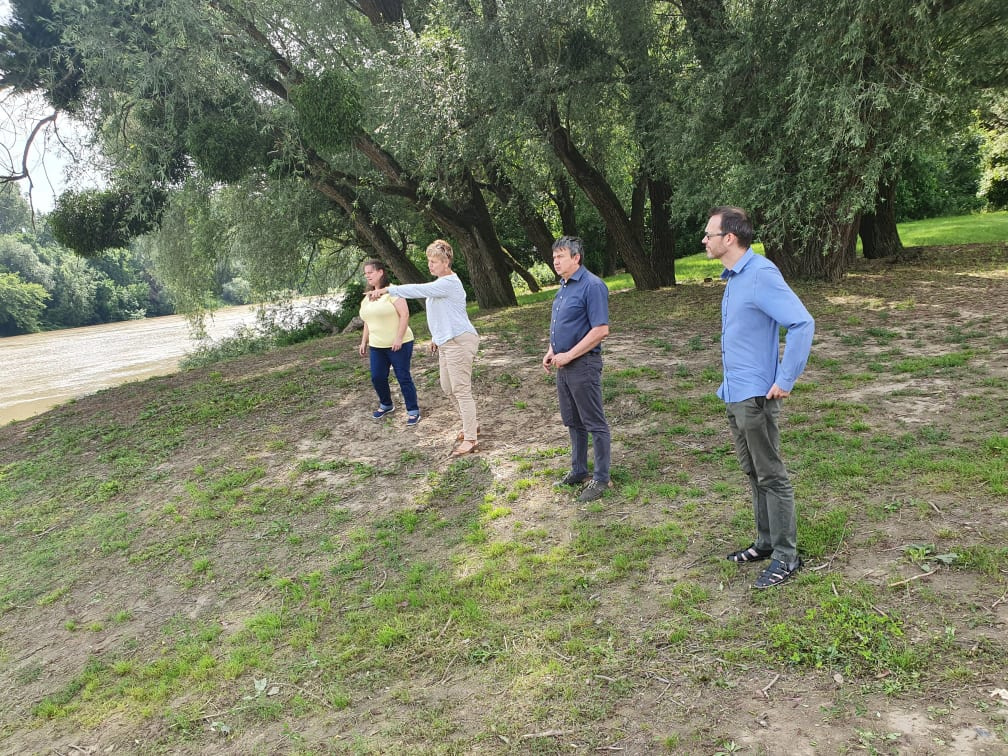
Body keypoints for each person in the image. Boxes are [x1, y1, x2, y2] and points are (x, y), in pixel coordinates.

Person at [705, 206, 814, 589]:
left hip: (756, 397)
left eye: (709, 235)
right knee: (753, 471)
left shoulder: (761, 274)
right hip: (735, 393)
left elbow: (802, 322)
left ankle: (787, 556)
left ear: (729, 238)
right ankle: (766, 542)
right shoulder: (736, 278)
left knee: (771, 474)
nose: (704, 241)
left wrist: (786, 378)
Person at [369, 239, 480, 457]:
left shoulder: (449, 283)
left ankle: (471, 438)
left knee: (461, 390)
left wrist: (388, 290)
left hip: (459, 341)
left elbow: (419, 289)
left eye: (434, 261)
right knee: (447, 388)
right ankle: (471, 425)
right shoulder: (440, 283)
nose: (430, 265)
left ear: (446, 262)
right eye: (429, 261)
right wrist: (436, 338)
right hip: (446, 342)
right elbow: (442, 313)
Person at [542, 236, 612, 503]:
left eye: (560, 256)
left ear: (576, 257)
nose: (555, 262)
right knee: (573, 421)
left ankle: (601, 479)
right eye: (554, 257)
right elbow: (565, 324)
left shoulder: (592, 286)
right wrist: (551, 350)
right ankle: (579, 470)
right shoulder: (564, 286)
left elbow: (600, 330)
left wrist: (569, 355)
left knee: (595, 423)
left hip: (583, 365)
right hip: (564, 366)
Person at [358, 260, 421, 426]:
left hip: (399, 343)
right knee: (377, 377)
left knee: (403, 377)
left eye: (370, 272)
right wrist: (364, 341)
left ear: (380, 272)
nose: (367, 276)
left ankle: (413, 410)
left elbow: (405, 315)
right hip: (377, 345)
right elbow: (368, 320)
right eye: (365, 273)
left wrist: (398, 338)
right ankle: (386, 404)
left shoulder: (393, 291)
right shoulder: (367, 296)